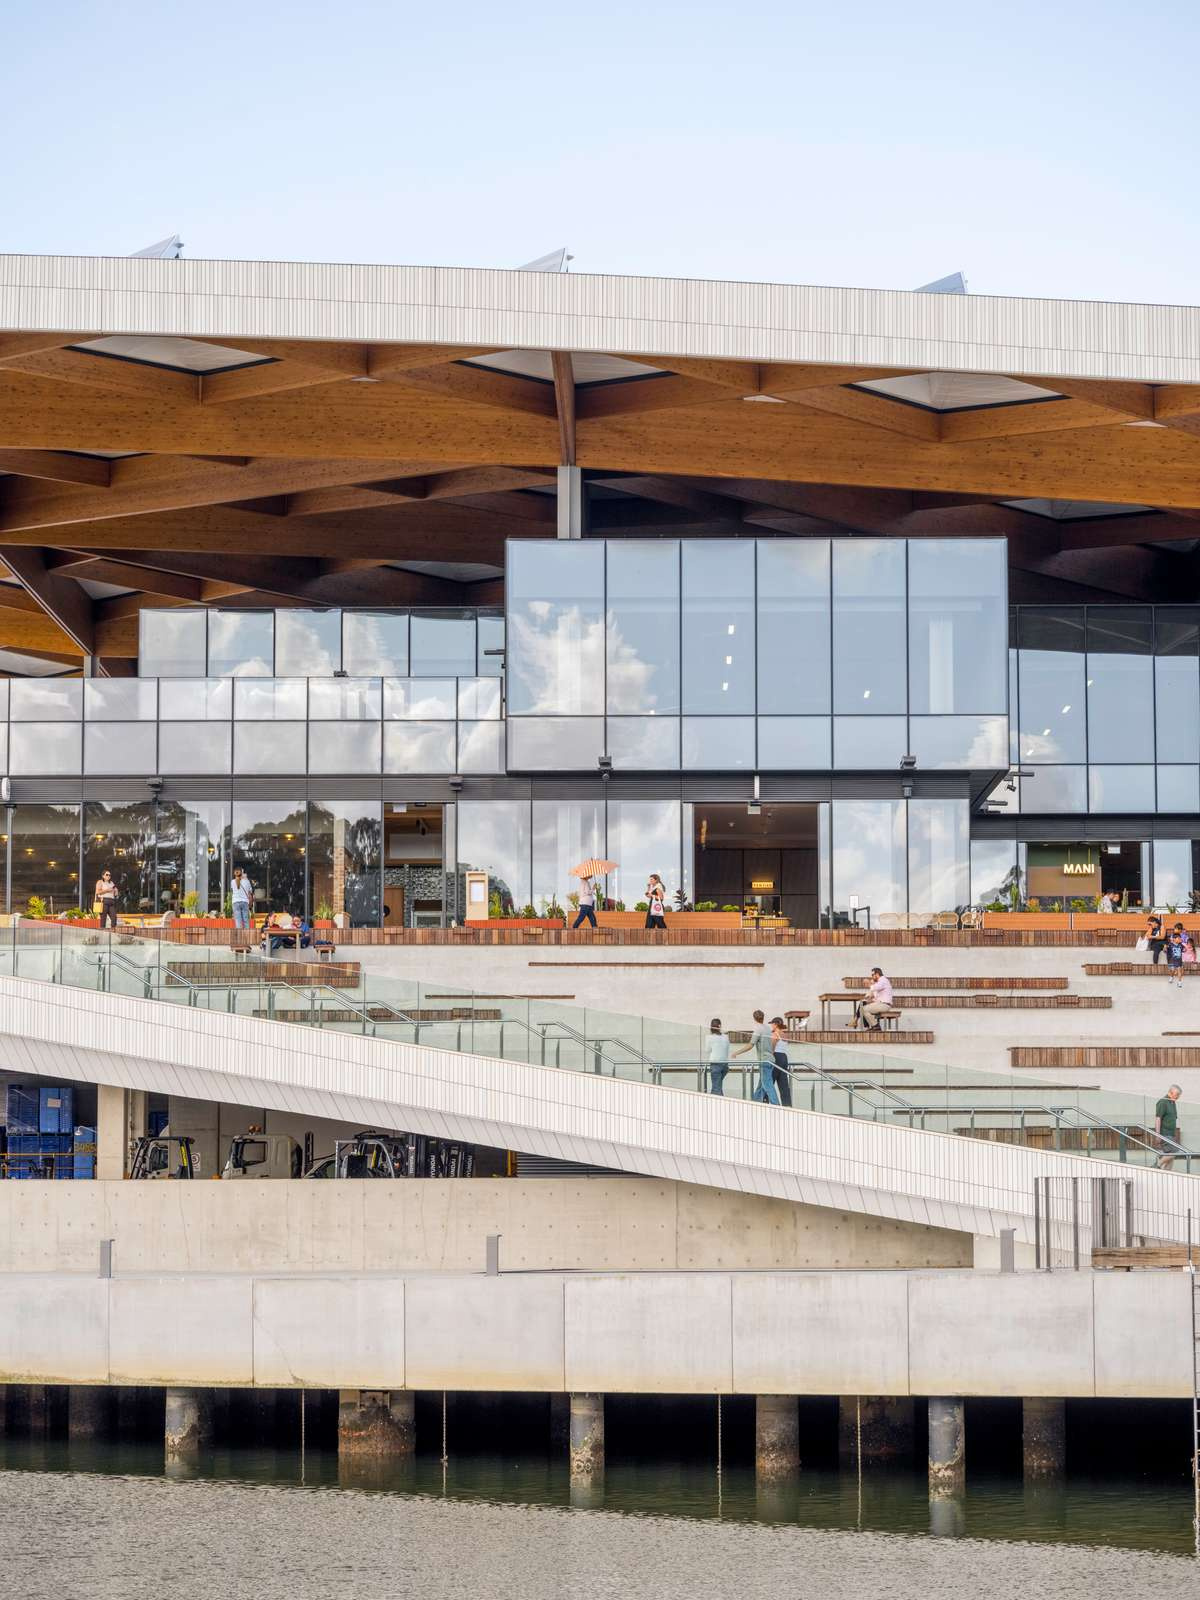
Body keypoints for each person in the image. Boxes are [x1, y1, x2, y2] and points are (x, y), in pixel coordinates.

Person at [734, 1009, 779, 1105]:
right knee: (761, 1085)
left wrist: (737, 1052)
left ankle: (777, 1105)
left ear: (754, 1018)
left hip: (764, 1061)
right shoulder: (768, 1028)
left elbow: (751, 1045)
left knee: (767, 1084)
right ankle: (755, 1103)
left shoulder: (758, 1029)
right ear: (763, 1018)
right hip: (771, 1059)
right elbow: (772, 1043)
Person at [854, 967, 893, 1031]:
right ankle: (873, 1026)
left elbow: (875, 987)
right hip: (881, 1004)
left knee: (863, 1009)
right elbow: (876, 996)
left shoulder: (883, 980)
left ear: (877, 974)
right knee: (863, 1006)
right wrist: (870, 999)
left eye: (872, 975)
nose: (872, 977)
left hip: (884, 1005)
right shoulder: (880, 982)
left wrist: (869, 983)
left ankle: (875, 1026)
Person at [1155, 1083, 1184, 1169]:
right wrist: (1157, 1134)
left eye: (1179, 1095)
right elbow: (1158, 1118)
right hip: (1165, 1134)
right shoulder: (1163, 1102)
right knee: (1174, 1152)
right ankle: (1157, 1164)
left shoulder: (1172, 1102)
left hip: (1171, 1134)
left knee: (1171, 1158)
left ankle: (1166, 1174)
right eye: (1177, 1094)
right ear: (1171, 1092)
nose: (1178, 1097)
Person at [770, 1017, 793, 1108]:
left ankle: (765, 1102)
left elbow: (772, 1049)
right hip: (784, 1057)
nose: (771, 1025)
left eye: (772, 1024)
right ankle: (787, 1105)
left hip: (776, 1057)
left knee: (769, 1081)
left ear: (775, 1024)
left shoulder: (775, 1034)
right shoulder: (785, 1035)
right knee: (783, 1083)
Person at [705, 1018, 731, 1095]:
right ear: (720, 1026)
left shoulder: (709, 1037)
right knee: (717, 1085)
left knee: (716, 1087)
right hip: (725, 1064)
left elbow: (707, 1050)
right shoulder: (726, 1037)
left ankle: (715, 1101)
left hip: (715, 1064)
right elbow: (727, 1048)